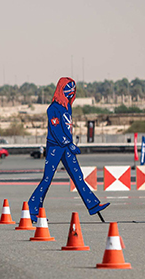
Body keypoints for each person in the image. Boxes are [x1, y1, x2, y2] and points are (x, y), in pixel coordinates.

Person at [27, 77, 109, 223]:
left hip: (66, 147)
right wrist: (68, 143)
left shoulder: (67, 107)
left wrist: (69, 143)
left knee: (78, 176)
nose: (70, 92)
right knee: (47, 178)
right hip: (55, 147)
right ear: (60, 89)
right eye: (67, 88)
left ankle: (93, 204)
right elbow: (56, 129)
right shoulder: (53, 108)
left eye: (73, 89)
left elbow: (67, 127)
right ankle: (32, 208)